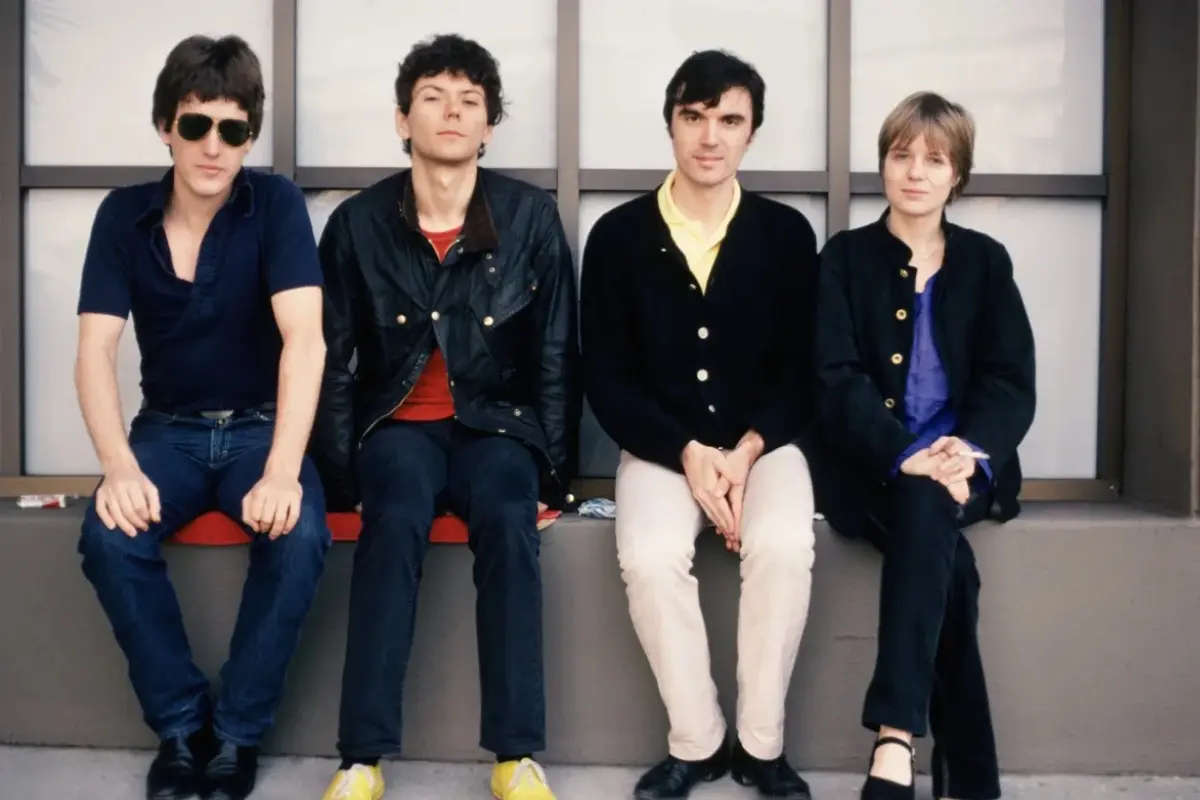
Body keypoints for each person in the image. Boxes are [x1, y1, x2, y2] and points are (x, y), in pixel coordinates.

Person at [311, 33, 578, 800]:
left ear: (490, 126)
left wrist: (551, 475)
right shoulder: (359, 225)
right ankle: (361, 757)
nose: (452, 113)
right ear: (403, 120)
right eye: (434, 98)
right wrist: (339, 479)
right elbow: (331, 360)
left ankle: (516, 757)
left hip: (498, 425)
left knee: (506, 514)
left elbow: (557, 350)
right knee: (393, 515)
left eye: (470, 102)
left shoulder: (528, 219)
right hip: (396, 427)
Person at [74, 34, 331, 800]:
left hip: (260, 428)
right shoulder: (123, 216)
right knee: (106, 535)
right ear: (165, 127)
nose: (213, 147)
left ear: (249, 136)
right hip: (170, 431)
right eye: (196, 125)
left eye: (233, 130)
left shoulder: (275, 203)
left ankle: (239, 736)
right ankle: (183, 728)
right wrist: (118, 465)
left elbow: (306, 342)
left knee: (303, 532)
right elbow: (95, 352)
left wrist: (285, 469)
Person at [580, 50, 819, 800]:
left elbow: (799, 370)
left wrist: (746, 452)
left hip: (764, 443)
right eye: (694, 117)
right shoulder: (617, 236)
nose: (710, 136)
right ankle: (698, 738)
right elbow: (606, 378)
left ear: (752, 134)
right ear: (671, 124)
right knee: (650, 556)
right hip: (660, 444)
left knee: (783, 545)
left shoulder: (785, 235)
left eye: (729, 120)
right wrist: (686, 451)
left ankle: (760, 744)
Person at [811, 91, 1036, 800]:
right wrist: (902, 453)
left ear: (957, 175)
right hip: (873, 470)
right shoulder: (844, 259)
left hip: (964, 469)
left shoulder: (986, 263)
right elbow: (833, 377)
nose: (914, 172)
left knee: (930, 513)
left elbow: (1010, 381)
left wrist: (968, 450)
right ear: (883, 163)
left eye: (934, 160)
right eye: (901, 155)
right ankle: (957, 772)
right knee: (950, 567)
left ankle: (895, 743)